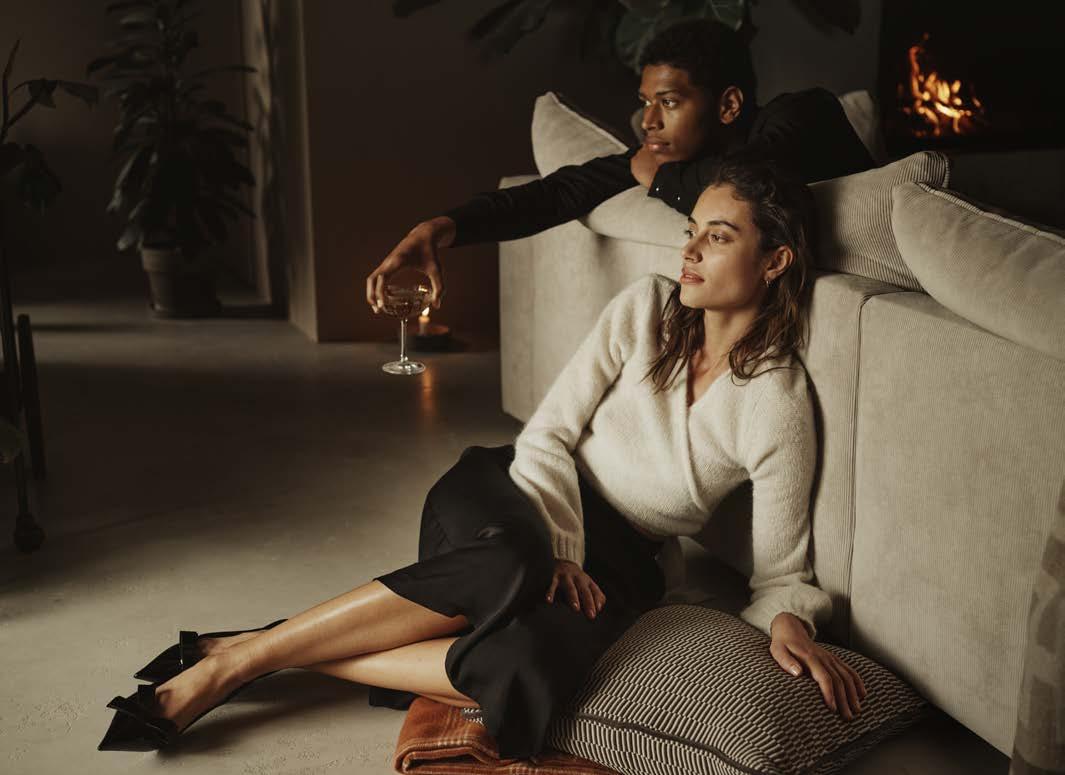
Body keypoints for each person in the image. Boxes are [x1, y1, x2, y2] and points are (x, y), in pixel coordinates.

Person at [98, 155, 867, 759]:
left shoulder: (776, 400)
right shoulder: (646, 307)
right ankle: (227, 669)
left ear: (775, 260)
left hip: (622, 558)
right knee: (513, 562)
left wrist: (787, 623)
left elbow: (781, 572)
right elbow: (548, 432)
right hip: (515, 488)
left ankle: (262, 644)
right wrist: (559, 548)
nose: (689, 249)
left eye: (718, 236)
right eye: (692, 228)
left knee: (522, 670)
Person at [365, 17, 875, 314]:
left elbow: (752, 184)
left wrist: (660, 178)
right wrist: (440, 228)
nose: (649, 120)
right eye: (646, 101)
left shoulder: (804, 113)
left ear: (728, 105)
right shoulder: (671, 158)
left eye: (668, 102)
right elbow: (554, 194)